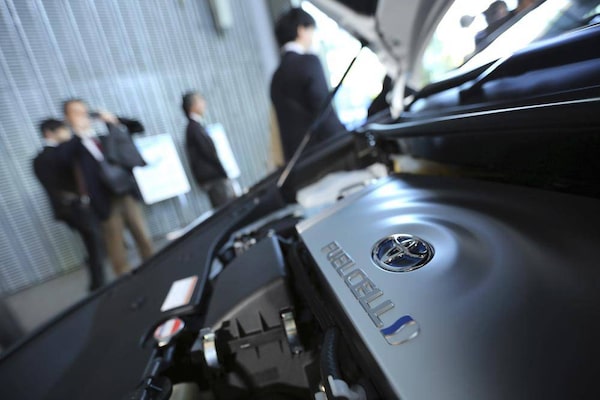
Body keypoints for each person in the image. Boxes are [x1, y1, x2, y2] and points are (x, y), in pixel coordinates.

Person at [61, 99, 154, 276]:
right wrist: (79, 134)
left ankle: (154, 267)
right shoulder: (70, 145)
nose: (82, 116)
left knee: (142, 234)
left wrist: (113, 120)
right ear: (67, 118)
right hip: (103, 199)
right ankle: (126, 280)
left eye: (84, 111)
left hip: (125, 191)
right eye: (76, 112)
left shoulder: (103, 134)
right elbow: (63, 161)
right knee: (115, 244)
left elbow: (136, 128)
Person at [33, 119, 106, 291]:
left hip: (74, 207)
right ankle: (98, 285)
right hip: (73, 207)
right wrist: (78, 135)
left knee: (94, 243)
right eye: (63, 130)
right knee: (94, 244)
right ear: (49, 133)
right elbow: (62, 161)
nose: (67, 134)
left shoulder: (53, 154)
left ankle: (98, 282)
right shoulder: (47, 156)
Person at [270, 7, 346, 162]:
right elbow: (324, 111)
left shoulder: (275, 78)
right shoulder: (308, 62)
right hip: (324, 156)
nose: (312, 37)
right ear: (301, 31)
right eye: (311, 31)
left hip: (297, 163)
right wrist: (346, 139)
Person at [182, 91, 237, 208]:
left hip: (213, 177)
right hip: (213, 178)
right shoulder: (194, 128)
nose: (204, 104)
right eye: (200, 101)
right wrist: (222, 171)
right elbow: (208, 152)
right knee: (227, 208)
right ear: (193, 106)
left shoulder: (196, 127)